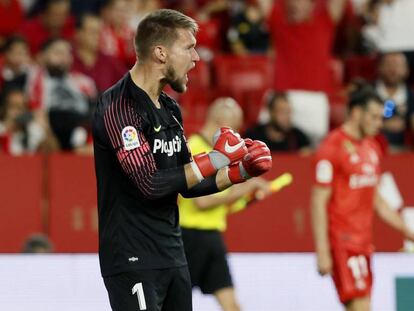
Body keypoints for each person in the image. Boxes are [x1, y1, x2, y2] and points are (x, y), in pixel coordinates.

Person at [92, 9, 272, 311]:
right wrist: (216, 158)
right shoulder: (118, 106)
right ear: (160, 52)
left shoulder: (171, 109)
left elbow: (188, 183)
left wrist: (241, 170)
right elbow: (149, 182)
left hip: (173, 254)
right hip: (133, 257)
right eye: (188, 47)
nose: (197, 57)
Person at [311, 83, 414, 311]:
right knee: (360, 306)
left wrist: (408, 232)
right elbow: (319, 201)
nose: (379, 124)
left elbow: (377, 200)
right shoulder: (332, 148)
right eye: (374, 117)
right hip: (343, 242)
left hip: (364, 243)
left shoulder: (371, 148)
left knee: (363, 305)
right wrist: (323, 251)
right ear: (357, 113)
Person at [178, 97, 271, 311]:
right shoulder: (193, 149)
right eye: (234, 128)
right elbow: (201, 202)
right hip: (189, 237)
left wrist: (247, 196)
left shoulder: (219, 156)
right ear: (222, 122)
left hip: (212, 237)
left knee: (232, 306)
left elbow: (223, 203)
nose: (236, 136)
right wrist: (246, 187)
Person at [26, 38, 96, 150]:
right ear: (43, 56)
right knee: (35, 129)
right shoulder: (36, 78)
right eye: (57, 53)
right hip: (49, 124)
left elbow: (93, 110)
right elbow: (37, 110)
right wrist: (49, 134)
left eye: (67, 53)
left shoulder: (84, 82)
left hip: (78, 125)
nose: (63, 58)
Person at [72, 14, 126, 93]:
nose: (98, 36)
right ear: (78, 33)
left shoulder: (110, 61)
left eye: (100, 32)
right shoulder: (68, 59)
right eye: (93, 32)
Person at [246, 91, 311, 153]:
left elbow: (307, 156)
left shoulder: (298, 138)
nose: (287, 117)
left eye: (289, 112)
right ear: (271, 112)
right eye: (282, 112)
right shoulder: (254, 136)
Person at [374, 52, 414, 151]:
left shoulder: (411, 97)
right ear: (379, 67)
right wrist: (383, 125)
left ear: (407, 70)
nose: (393, 70)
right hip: (371, 148)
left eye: (397, 65)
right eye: (388, 64)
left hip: (402, 151)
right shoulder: (368, 93)